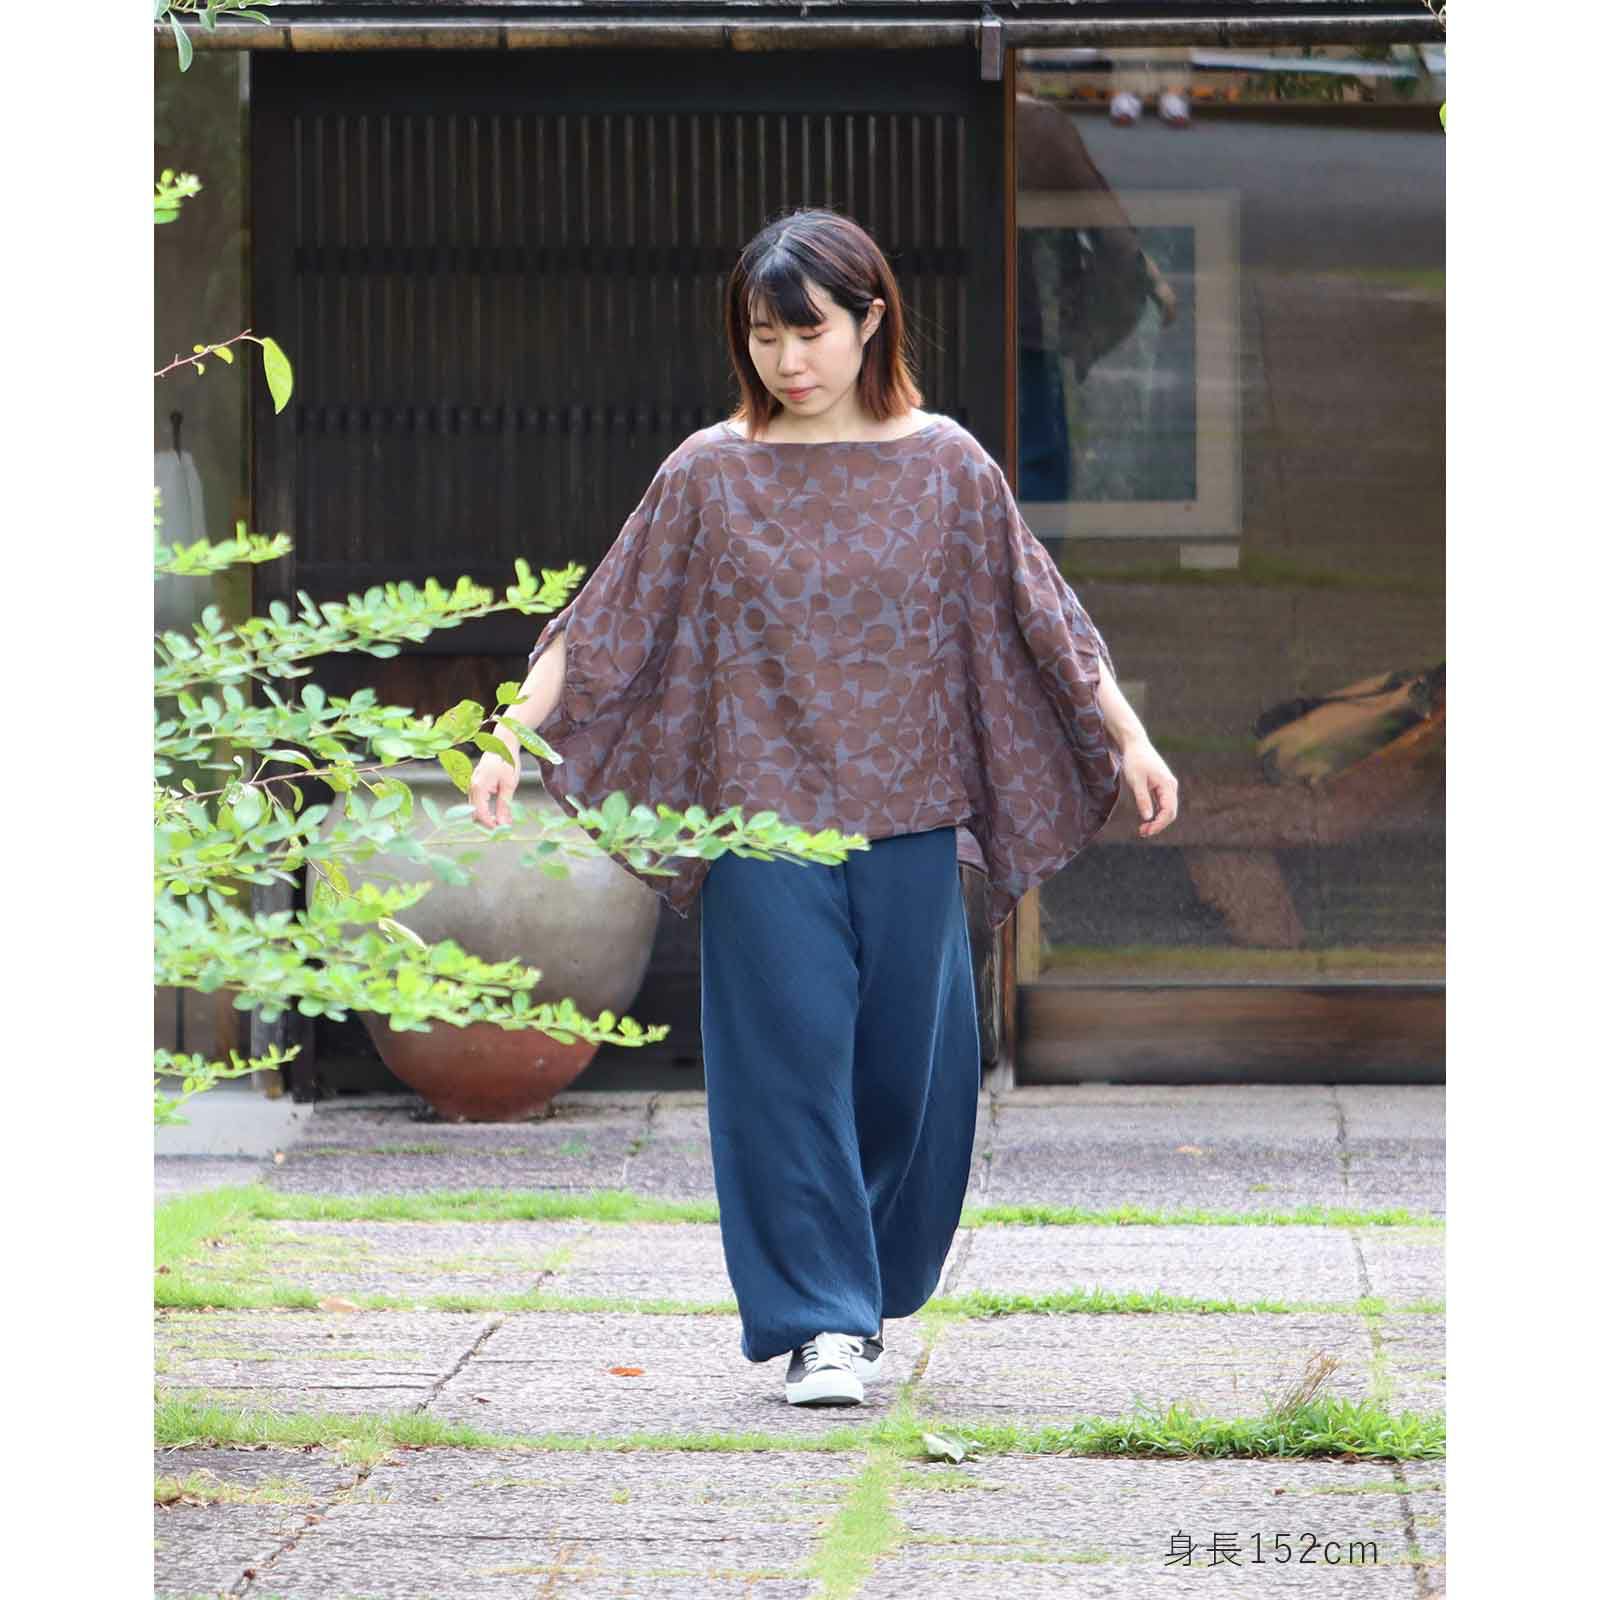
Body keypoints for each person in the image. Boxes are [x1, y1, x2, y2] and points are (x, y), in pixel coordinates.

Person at [469, 209, 1179, 1409]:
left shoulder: (948, 466)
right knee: (785, 1071)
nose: (787, 360)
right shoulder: (708, 473)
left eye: (809, 332)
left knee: (913, 1081)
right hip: (760, 824)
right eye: (763, 335)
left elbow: (1041, 615)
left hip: (913, 818)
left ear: (869, 322)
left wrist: (1128, 733)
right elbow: (602, 624)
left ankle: (866, 1289)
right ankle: (822, 1323)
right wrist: (508, 734)